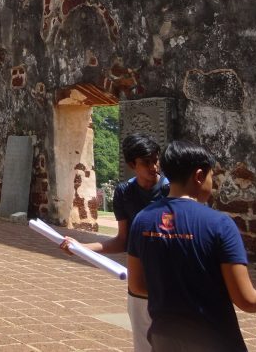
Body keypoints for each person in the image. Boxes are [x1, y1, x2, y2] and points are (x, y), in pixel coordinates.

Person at [127, 140, 256, 351]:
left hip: (165, 338)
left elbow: (137, 285)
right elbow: (246, 299)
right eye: (211, 176)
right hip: (213, 339)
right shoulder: (220, 225)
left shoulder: (142, 220)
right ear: (199, 176)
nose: (212, 183)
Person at [60, 134, 169, 352]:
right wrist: (80, 248)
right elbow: (122, 241)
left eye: (156, 160)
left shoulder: (171, 189)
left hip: (171, 278)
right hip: (140, 279)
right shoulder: (124, 193)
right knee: (144, 343)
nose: (154, 166)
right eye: (146, 162)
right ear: (132, 165)